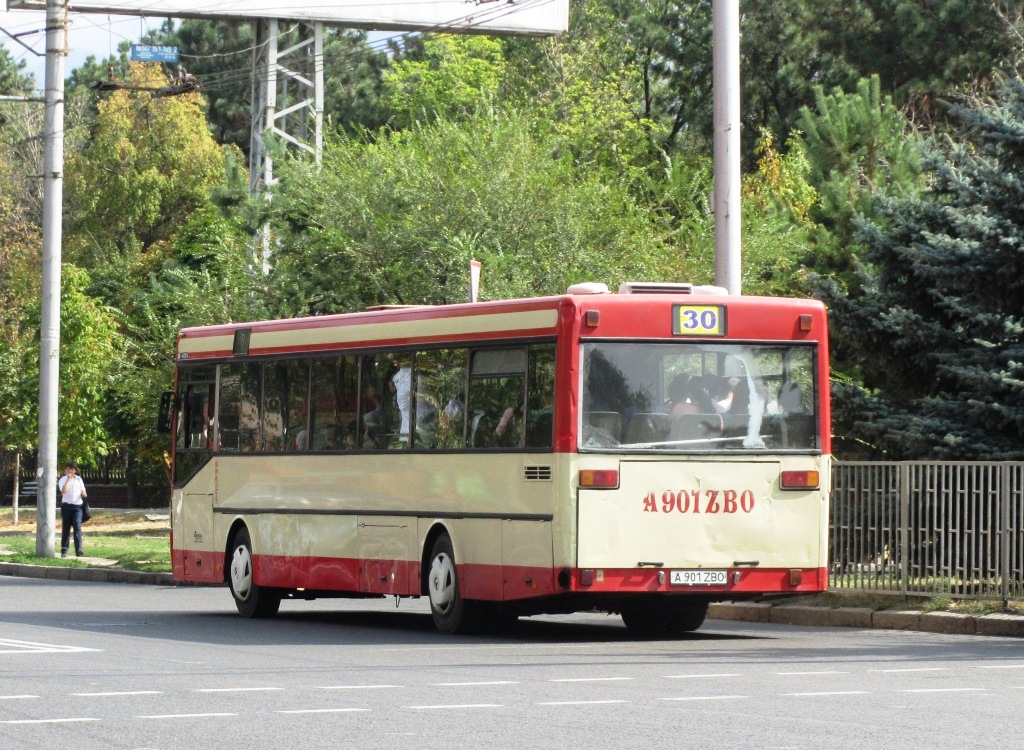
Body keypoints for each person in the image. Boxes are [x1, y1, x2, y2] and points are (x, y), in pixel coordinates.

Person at [58, 462, 88, 558]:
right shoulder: (63, 480)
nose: (70, 471)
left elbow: (84, 493)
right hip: (66, 506)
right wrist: (68, 480)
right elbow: (64, 491)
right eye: (68, 469)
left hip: (77, 507)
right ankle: (64, 549)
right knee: (66, 528)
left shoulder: (79, 479)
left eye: (72, 469)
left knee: (77, 527)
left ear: (75, 470)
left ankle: (79, 549)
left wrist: (83, 493)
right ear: (65, 470)